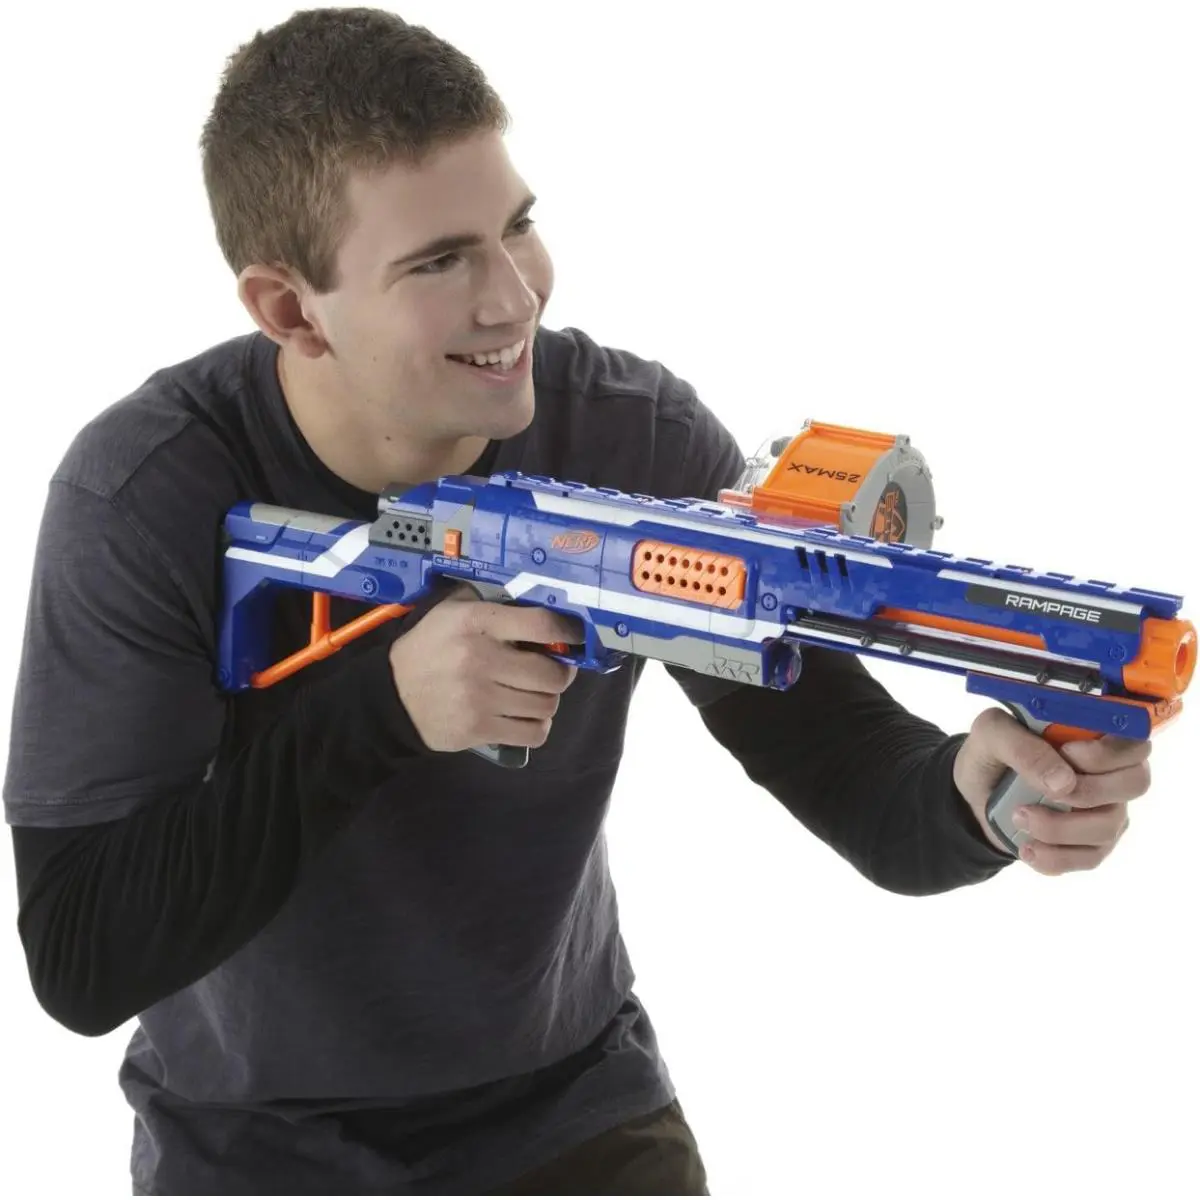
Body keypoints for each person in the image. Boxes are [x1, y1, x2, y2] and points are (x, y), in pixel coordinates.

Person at [3, 7, 1151, 1196]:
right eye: (438, 262)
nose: (514, 299)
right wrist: (385, 709)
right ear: (291, 311)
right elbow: (81, 961)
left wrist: (981, 801)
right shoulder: (147, 493)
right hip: (253, 1143)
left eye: (517, 226)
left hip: (573, 1101)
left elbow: (848, 768)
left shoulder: (632, 439)